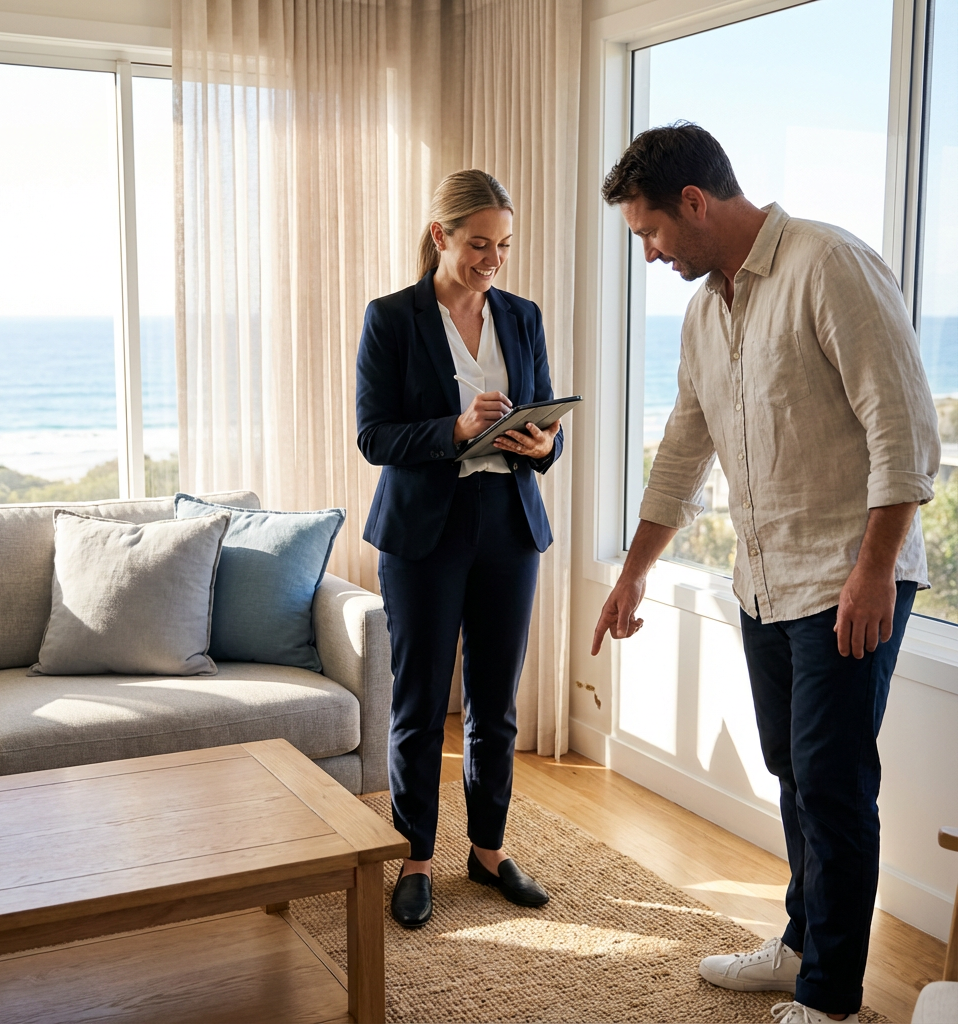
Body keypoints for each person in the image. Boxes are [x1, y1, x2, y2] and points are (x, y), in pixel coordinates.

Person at [593, 124, 940, 1024]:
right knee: (794, 772)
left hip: (847, 581)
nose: (649, 253)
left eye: (649, 232)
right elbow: (683, 453)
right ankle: (799, 945)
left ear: (694, 203)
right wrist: (634, 573)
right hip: (765, 582)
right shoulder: (705, 313)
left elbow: (905, 432)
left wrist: (873, 572)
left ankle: (830, 998)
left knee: (832, 784)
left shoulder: (829, 266)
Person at [356, 169, 563, 929]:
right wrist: (456, 429)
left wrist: (544, 444)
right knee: (418, 704)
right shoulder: (391, 318)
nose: (492, 260)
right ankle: (415, 858)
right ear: (440, 236)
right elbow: (374, 435)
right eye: (479, 244)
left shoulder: (522, 316)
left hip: (510, 524)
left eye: (503, 246)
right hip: (424, 532)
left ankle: (487, 850)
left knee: (495, 704)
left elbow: (546, 424)